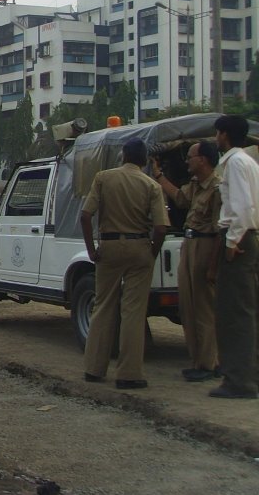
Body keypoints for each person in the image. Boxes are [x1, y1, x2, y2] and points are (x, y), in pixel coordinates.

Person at [81, 137, 169, 389]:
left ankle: (93, 369)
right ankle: (129, 374)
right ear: (143, 160)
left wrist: (92, 250)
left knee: (103, 306)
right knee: (132, 311)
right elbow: (161, 228)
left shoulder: (103, 178)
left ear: (123, 155)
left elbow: (85, 215)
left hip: (108, 247)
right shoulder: (152, 185)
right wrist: (152, 251)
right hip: (139, 246)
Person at [154, 141, 222, 382]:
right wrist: (159, 175)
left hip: (205, 244)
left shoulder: (217, 188)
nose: (187, 161)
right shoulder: (196, 185)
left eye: (191, 157)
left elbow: (219, 232)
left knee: (204, 308)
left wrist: (213, 266)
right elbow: (180, 198)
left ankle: (209, 363)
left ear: (203, 159)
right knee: (188, 306)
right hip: (190, 242)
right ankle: (198, 360)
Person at [210, 114, 259, 400]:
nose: (216, 139)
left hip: (238, 239)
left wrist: (231, 241)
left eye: (217, 134)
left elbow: (242, 207)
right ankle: (247, 375)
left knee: (234, 313)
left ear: (225, 135)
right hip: (247, 237)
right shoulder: (249, 161)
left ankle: (239, 381)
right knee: (247, 309)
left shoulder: (235, 163)